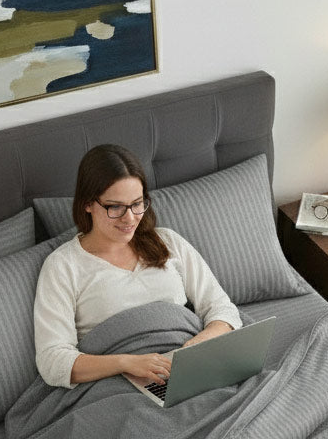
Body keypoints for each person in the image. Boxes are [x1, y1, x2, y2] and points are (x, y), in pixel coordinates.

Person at [33, 144, 241, 389]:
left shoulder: (168, 242)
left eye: (137, 203)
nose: (130, 218)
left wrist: (199, 345)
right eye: (115, 207)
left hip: (186, 369)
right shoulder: (63, 266)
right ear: (88, 204)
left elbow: (222, 309)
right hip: (118, 384)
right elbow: (53, 361)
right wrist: (126, 363)